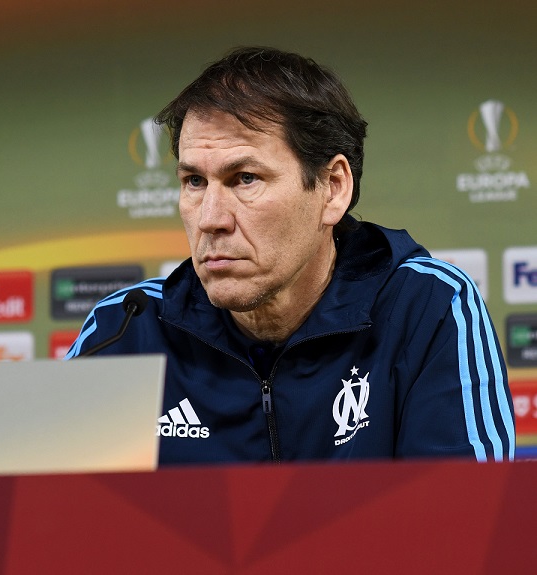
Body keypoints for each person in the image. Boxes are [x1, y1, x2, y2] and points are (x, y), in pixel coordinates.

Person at [66, 46, 515, 464]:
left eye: (245, 178)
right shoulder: (125, 331)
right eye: (194, 182)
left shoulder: (427, 308)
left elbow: (467, 518)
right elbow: (46, 515)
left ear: (332, 189)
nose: (210, 219)